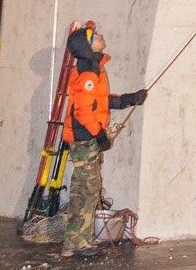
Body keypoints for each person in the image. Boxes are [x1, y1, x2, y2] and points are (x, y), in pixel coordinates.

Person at [60, 21, 148, 257]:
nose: (101, 35)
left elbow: (99, 101)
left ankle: (82, 240)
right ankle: (76, 243)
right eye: (95, 35)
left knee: (89, 190)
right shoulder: (89, 70)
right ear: (88, 45)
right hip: (85, 139)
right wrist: (99, 136)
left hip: (86, 138)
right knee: (84, 191)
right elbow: (83, 111)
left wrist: (128, 99)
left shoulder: (93, 67)